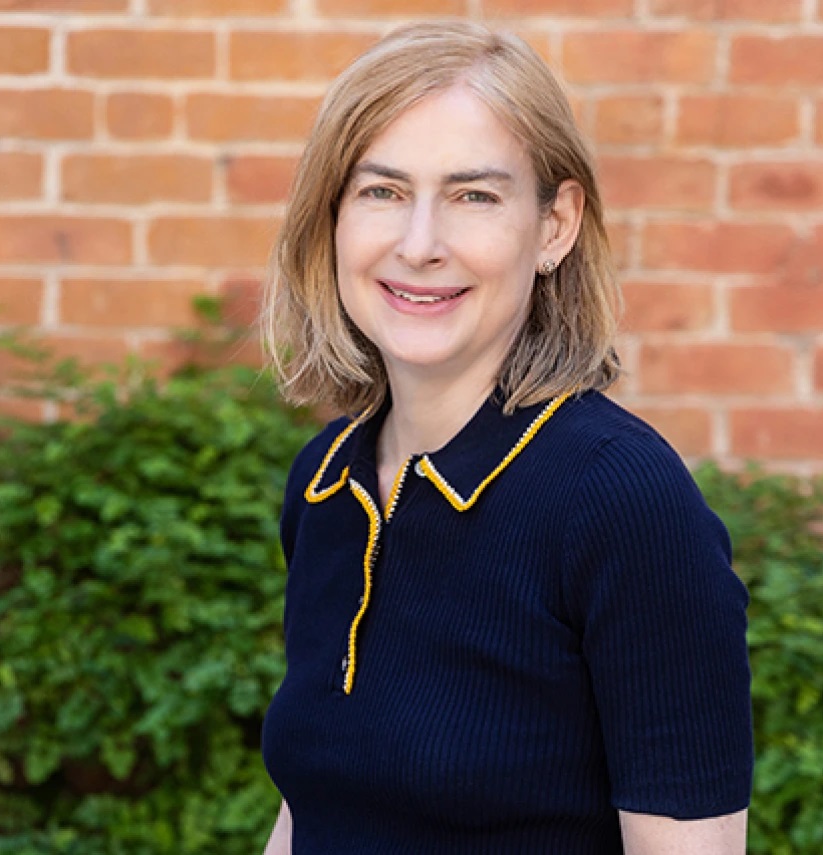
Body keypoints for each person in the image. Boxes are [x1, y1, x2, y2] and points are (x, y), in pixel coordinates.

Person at [258, 20, 753, 855]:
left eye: (474, 196)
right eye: (382, 192)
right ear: (332, 218)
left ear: (555, 226)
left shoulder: (622, 500)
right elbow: (311, 806)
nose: (420, 245)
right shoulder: (329, 481)